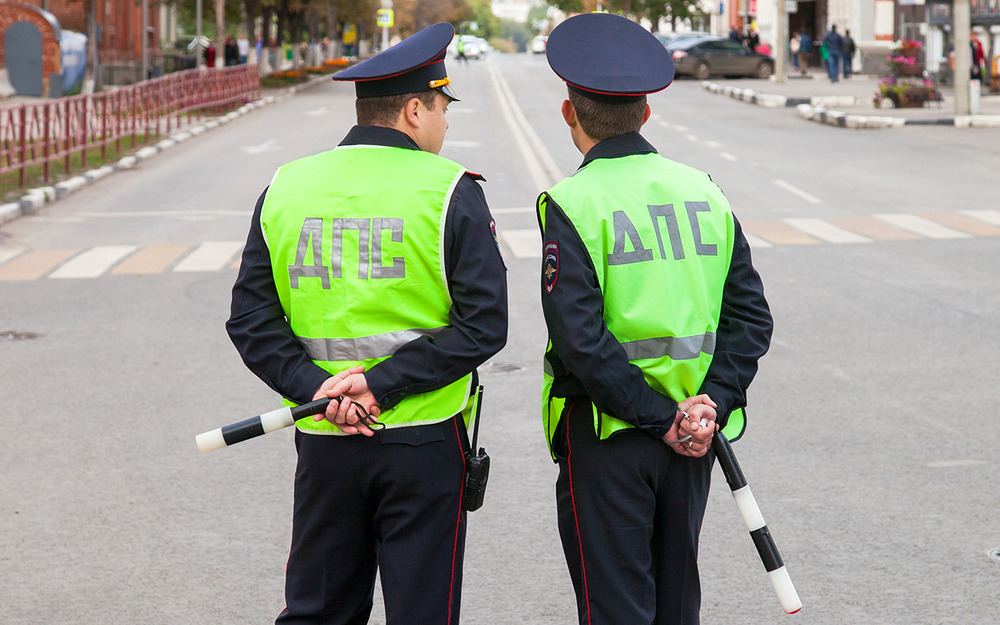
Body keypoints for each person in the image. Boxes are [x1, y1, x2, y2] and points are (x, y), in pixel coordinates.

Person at [226, 22, 508, 625]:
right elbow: (485, 327)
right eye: (441, 106)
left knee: (319, 610)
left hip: (324, 436)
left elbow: (250, 319)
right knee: (421, 610)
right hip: (425, 438)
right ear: (413, 109)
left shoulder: (286, 185)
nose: (447, 122)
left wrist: (315, 390)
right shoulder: (450, 190)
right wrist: (381, 385)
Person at [537, 13, 773, 625]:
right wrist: (710, 404)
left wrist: (657, 419)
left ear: (570, 115)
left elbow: (580, 340)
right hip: (697, 434)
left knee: (615, 607)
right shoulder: (705, 189)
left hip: (612, 436)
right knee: (676, 603)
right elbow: (751, 317)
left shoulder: (571, 202)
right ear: (647, 114)